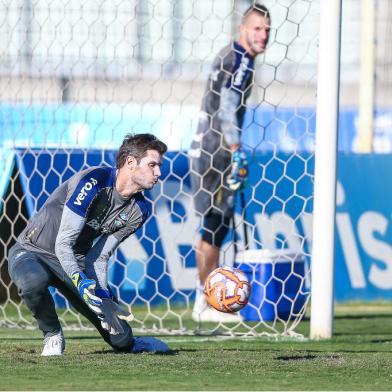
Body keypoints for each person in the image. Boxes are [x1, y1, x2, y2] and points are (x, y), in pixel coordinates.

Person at [8, 133, 170, 355]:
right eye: (153, 165)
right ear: (131, 162)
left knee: (121, 339)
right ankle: (52, 334)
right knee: (32, 283)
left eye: (159, 166)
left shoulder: (139, 210)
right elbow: (63, 242)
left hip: (76, 259)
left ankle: (133, 341)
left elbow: (99, 256)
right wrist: (80, 281)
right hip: (33, 251)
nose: (159, 173)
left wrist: (102, 294)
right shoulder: (93, 181)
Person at [189, 4, 271, 322]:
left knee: (216, 225)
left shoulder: (231, 55)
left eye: (267, 30)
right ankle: (206, 302)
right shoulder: (239, 59)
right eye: (257, 29)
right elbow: (226, 105)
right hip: (216, 151)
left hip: (209, 148)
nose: (263, 36)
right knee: (214, 225)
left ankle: (206, 299)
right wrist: (236, 148)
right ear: (243, 29)